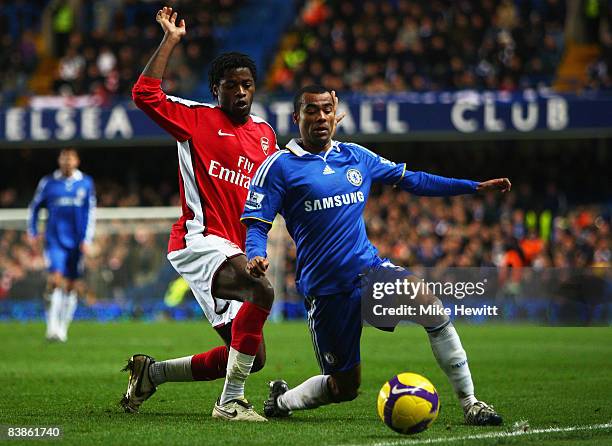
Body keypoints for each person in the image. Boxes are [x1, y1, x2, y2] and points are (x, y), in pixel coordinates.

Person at [241, 85, 511, 425]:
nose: (320, 117)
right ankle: (281, 402)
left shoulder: (356, 156)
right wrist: (255, 254)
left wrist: (471, 187)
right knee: (344, 387)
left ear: (335, 116)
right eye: (311, 110)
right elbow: (256, 223)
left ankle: (471, 403)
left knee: (430, 307)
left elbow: (414, 180)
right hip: (327, 291)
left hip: (369, 272)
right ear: (297, 118)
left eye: (326, 109)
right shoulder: (279, 167)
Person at [121, 6, 276, 421]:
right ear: (215, 90)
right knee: (263, 292)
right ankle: (229, 403)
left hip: (236, 247)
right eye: (231, 86)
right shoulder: (196, 118)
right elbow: (144, 95)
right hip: (200, 240)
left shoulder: (265, 135)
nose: (240, 92)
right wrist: (170, 40)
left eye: (247, 85)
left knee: (250, 356)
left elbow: (275, 190)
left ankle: (151, 373)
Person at [28, 147, 96, 343]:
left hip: (76, 242)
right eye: (64, 158)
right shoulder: (48, 183)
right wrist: (33, 231)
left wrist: (87, 239)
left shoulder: (86, 183)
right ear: (59, 161)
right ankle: (52, 328)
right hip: (55, 240)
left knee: (71, 286)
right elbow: (34, 208)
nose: (67, 162)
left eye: (70, 158)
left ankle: (63, 329)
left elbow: (90, 212)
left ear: (77, 161)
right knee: (56, 280)